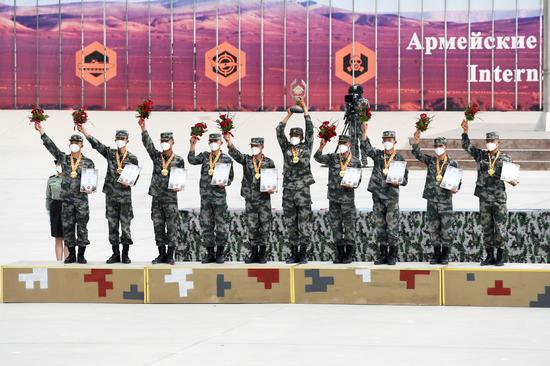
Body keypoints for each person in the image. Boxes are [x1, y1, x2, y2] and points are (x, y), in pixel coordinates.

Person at [35, 123, 95, 264]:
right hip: (66, 202)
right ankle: (71, 255)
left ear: (81, 145)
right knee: (67, 228)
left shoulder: (88, 162)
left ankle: (81, 255)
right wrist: (42, 132)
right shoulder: (64, 159)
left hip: (81, 202)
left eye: (77, 142)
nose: (74, 144)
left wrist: (90, 187)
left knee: (82, 228)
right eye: (72, 142)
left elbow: (90, 182)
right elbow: (52, 148)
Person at [79, 126, 139, 264]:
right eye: (118, 139)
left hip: (124, 198)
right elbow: (97, 145)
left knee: (125, 226)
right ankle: (115, 253)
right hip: (111, 197)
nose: (120, 141)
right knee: (112, 226)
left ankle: (125, 254)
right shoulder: (111, 154)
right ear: (115, 140)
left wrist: (130, 182)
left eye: (122, 139)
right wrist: (84, 132)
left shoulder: (132, 158)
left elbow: (135, 177)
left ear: (127, 140)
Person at [461, 120, 517, 266]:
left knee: (500, 227)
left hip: (499, 198)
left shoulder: (506, 158)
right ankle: (489, 256)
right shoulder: (481, 156)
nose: (490, 143)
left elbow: (511, 177)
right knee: (486, 227)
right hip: (484, 198)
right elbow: (467, 146)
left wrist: (512, 181)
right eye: (488, 141)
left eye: (492, 141)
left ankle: (499, 256)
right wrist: (465, 132)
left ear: (498, 142)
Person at [139, 118, 185, 265]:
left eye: (167, 141)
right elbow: (148, 146)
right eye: (163, 141)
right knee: (158, 226)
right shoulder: (157, 157)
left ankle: (170, 255)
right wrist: (143, 129)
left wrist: (180, 186)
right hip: (157, 198)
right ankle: (161, 254)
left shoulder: (178, 160)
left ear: (173, 142)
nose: (164, 143)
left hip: (171, 199)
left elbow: (181, 177)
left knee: (172, 227)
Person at [360, 122, 408, 265]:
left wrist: (398, 182)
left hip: (391, 197)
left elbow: (405, 180)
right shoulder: (379, 155)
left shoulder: (399, 159)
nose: (387, 142)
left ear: (395, 141)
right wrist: (364, 132)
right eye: (385, 140)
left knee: (392, 226)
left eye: (390, 140)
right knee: (380, 226)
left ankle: (392, 255)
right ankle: (382, 255)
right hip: (378, 195)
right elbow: (366, 148)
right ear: (382, 141)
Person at [225, 134, 275, 264]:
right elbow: (236, 155)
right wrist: (230, 142)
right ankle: (253, 253)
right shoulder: (247, 160)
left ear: (262, 147)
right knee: (252, 227)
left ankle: (262, 254)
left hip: (264, 200)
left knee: (264, 227)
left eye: (256, 146)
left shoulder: (269, 162)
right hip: (250, 199)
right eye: (252, 146)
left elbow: (273, 179)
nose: (254, 148)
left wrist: (272, 188)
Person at [412, 130, 460, 265]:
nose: (438, 149)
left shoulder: (452, 163)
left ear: (445, 147)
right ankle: (436, 253)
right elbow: (417, 154)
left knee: (446, 228)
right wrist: (416, 141)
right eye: (436, 146)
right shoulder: (431, 160)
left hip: (445, 200)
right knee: (433, 228)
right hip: (432, 199)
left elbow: (457, 181)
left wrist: (456, 187)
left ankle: (445, 254)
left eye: (441, 146)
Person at [276, 97, 315, 264]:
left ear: (302, 137)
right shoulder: (286, 147)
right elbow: (278, 131)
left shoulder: (307, 147)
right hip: (289, 191)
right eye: (292, 135)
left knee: (304, 224)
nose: (294, 137)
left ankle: (303, 253)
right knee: (291, 224)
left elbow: (311, 130)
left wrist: (305, 109)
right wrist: (289, 115)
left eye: (297, 135)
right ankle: (293, 253)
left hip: (303, 192)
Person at [314, 135, 361, 264]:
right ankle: (339, 253)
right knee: (336, 227)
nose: (341, 145)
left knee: (349, 226)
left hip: (347, 200)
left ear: (349, 144)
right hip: (334, 199)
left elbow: (358, 180)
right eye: (340, 143)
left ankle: (349, 254)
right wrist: (321, 147)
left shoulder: (355, 161)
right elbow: (317, 158)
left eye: (344, 143)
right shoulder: (333, 157)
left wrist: (353, 184)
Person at [188, 133, 234, 264]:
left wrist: (224, 183)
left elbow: (230, 178)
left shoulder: (226, 159)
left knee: (221, 226)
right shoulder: (204, 156)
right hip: (205, 198)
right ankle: (210, 253)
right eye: (211, 141)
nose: (213, 143)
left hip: (219, 198)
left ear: (221, 143)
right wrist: (192, 145)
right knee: (207, 226)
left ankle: (220, 253)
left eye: (215, 141)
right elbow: (191, 160)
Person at [46, 160, 68, 261]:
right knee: (58, 237)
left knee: (68, 237)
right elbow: (48, 197)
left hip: (67, 206)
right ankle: (59, 262)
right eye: (58, 164)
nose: (59, 166)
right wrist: (48, 211)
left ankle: (68, 260)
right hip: (55, 207)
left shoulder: (70, 178)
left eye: (61, 164)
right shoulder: (51, 180)